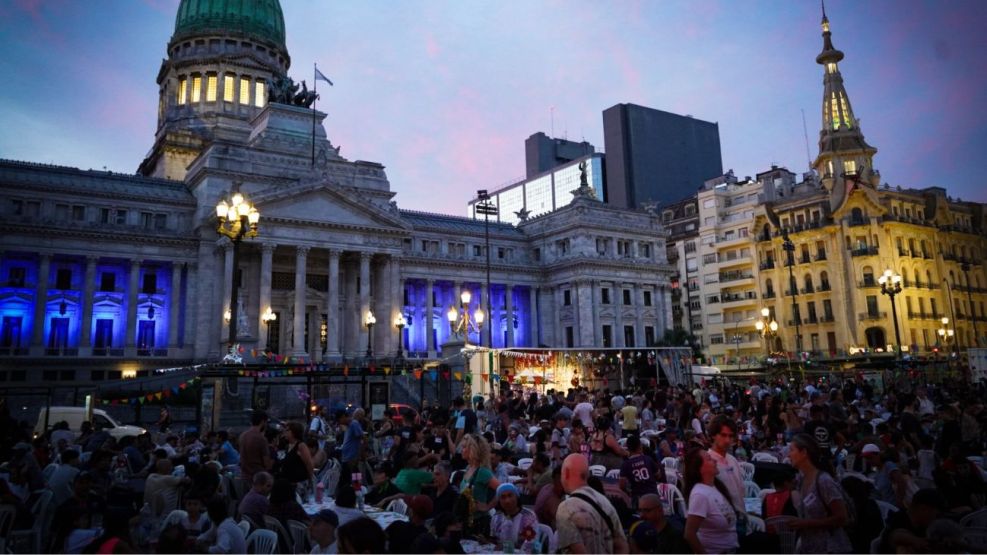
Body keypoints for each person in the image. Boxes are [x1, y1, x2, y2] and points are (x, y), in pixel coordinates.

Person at [788, 433, 852, 553]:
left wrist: (807, 524)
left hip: (830, 548)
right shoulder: (801, 479)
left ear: (804, 453)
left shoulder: (823, 481)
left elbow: (842, 518)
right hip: (810, 547)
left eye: (792, 450)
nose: (788, 454)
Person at [556, 453, 629, 554]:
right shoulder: (605, 502)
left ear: (567, 473)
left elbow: (577, 551)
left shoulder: (565, 509)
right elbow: (622, 545)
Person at [682, 447, 739, 555]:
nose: (715, 460)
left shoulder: (715, 486)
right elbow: (689, 534)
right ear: (699, 468)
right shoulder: (700, 495)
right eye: (709, 459)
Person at [457, 434, 500, 536]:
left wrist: (487, 506)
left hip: (479, 523)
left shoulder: (482, 472)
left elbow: (503, 490)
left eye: (464, 447)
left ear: (473, 450)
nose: (461, 450)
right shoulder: (468, 468)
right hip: (466, 520)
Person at [879, 488, 944, 553]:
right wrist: (916, 541)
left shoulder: (924, 525)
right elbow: (896, 536)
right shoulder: (898, 519)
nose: (935, 519)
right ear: (923, 509)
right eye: (936, 515)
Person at [706, 415, 745, 513]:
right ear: (713, 435)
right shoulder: (707, 462)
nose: (727, 440)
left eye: (731, 436)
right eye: (723, 435)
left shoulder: (733, 460)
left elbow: (741, 491)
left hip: (741, 517)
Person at [489, 483, 538, 551]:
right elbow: (494, 540)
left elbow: (530, 542)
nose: (507, 501)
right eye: (503, 497)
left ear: (517, 497)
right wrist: (487, 541)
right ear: (499, 501)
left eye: (510, 495)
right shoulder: (496, 518)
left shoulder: (528, 516)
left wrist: (505, 547)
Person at [862, 443, 908, 507]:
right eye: (866, 459)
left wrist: (899, 502)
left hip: (894, 508)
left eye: (870, 458)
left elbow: (901, 483)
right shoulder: (877, 470)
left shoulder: (888, 466)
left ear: (878, 455)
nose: (868, 461)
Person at [619, 435, 659, 504]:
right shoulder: (648, 459)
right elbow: (658, 475)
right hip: (653, 496)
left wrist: (629, 492)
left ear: (628, 448)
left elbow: (622, 485)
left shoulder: (625, 464)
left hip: (637, 498)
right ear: (640, 446)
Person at [239, 410, 273, 483]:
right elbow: (267, 465)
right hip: (258, 480)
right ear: (263, 422)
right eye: (266, 422)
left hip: (244, 477)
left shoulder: (243, 436)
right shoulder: (261, 439)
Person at [339, 409, 364, 483]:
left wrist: (359, 455)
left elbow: (362, 439)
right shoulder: (350, 425)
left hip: (351, 457)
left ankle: (357, 489)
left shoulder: (354, 424)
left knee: (352, 476)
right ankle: (357, 487)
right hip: (348, 456)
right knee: (353, 475)